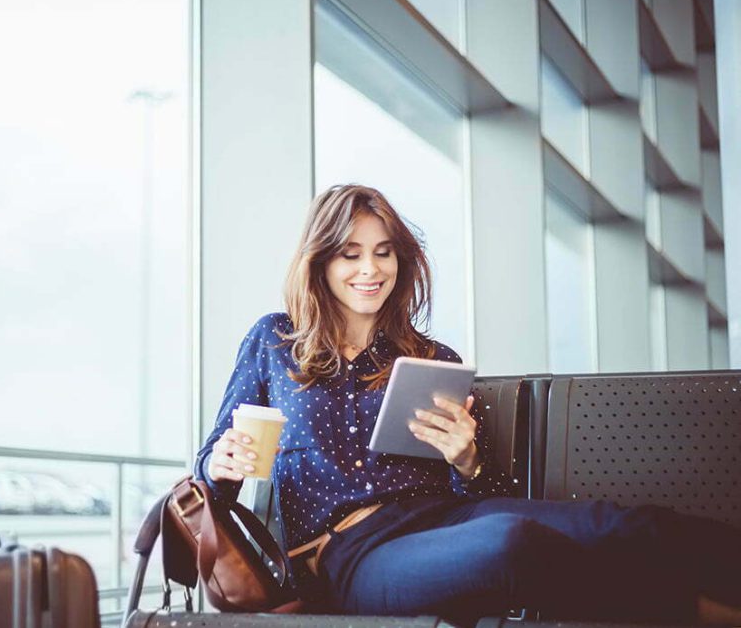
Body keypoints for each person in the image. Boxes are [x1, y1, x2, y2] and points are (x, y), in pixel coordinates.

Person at [194, 184, 741, 625]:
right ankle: (697, 611)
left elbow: (483, 493)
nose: (370, 270)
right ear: (321, 262)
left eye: (384, 253)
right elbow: (210, 473)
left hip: (445, 515)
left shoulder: (430, 357)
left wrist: (466, 458)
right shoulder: (274, 341)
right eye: (351, 254)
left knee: (618, 523)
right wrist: (220, 464)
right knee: (509, 543)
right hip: (347, 554)